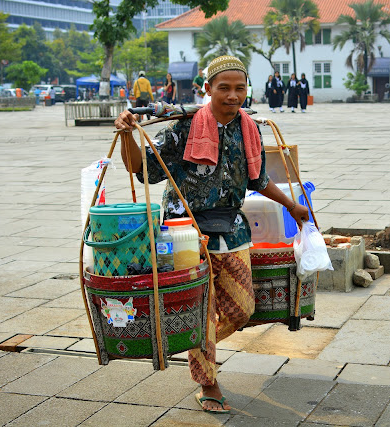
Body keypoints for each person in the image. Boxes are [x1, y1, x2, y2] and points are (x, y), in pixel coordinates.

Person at [115, 55, 309, 414]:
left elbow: (258, 178)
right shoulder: (183, 128)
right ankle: (208, 381)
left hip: (232, 229)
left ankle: (191, 339)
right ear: (208, 89)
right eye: (224, 88)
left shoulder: (249, 128)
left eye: (240, 88)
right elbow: (139, 168)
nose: (233, 95)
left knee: (242, 308)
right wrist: (127, 132)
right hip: (184, 231)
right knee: (202, 309)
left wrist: (291, 205)